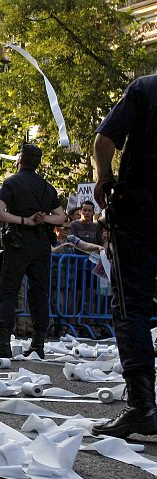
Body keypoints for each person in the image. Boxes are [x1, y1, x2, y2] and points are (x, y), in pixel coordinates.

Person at [91, 75, 157, 438]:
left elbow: (104, 140)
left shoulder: (145, 89)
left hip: (141, 212)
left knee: (131, 306)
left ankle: (142, 404)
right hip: (140, 211)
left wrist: (105, 177)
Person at [0, 144, 64, 360]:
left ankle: (3, 342)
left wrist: (24, 220)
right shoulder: (46, 187)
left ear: (20, 159)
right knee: (39, 292)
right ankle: (38, 343)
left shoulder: (12, 182)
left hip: (18, 241)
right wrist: (43, 219)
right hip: (41, 242)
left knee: (8, 290)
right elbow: (60, 217)